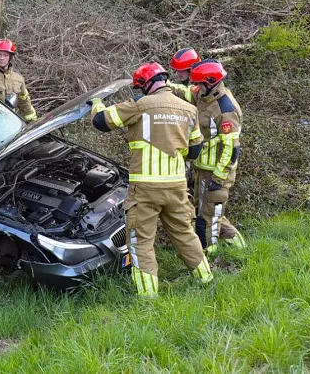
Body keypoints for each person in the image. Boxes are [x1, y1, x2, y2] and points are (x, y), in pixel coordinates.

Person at [89, 62, 213, 298]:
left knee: (141, 241)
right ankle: (206, 279)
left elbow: (102, 122)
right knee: (185, 233)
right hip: (177, 186)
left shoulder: (139, 106)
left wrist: (96, 104)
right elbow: (195, 151)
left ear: (146, 85)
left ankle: (148, 299)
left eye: (140, 87)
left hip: (145, 189)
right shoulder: (189, 109)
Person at [189, 59, 247, 253]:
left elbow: (231, 150)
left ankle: (210, 254)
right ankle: (239, 246)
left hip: (216, 173)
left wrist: (218, 178)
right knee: (210, 212)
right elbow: (186, 92)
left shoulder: (225, 109)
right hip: (203, 168)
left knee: (208, 218)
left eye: (199, 83)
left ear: (211, 81)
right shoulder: (205, 96)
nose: (196, 87)